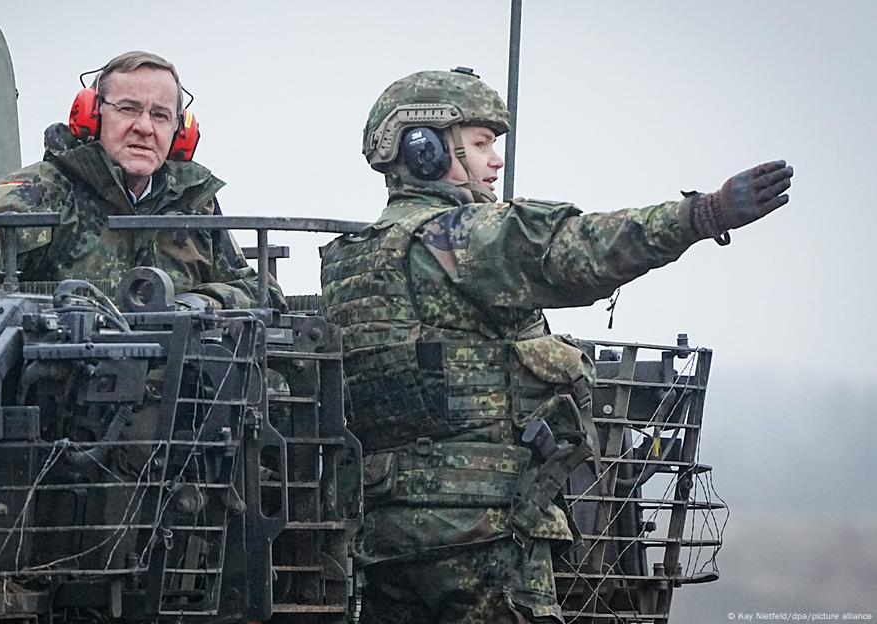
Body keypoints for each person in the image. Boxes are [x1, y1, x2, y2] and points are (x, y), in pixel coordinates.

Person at [320, 67, 791, 624]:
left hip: (384, 534)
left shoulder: (348, 260)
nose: (495, 162)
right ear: (423, 149)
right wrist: (700, 215)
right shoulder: (460, 237)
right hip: (482, 531)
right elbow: (577, 251)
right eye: (480, 144)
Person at [0, 50, 283, 310]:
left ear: (180, 130)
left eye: (160, 115)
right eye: (127, 109)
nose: (143, 127)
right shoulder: (47, 189)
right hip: (72, 404)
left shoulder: (193, 203)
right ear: (92, 115)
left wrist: (195, 305)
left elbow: (256, 288)